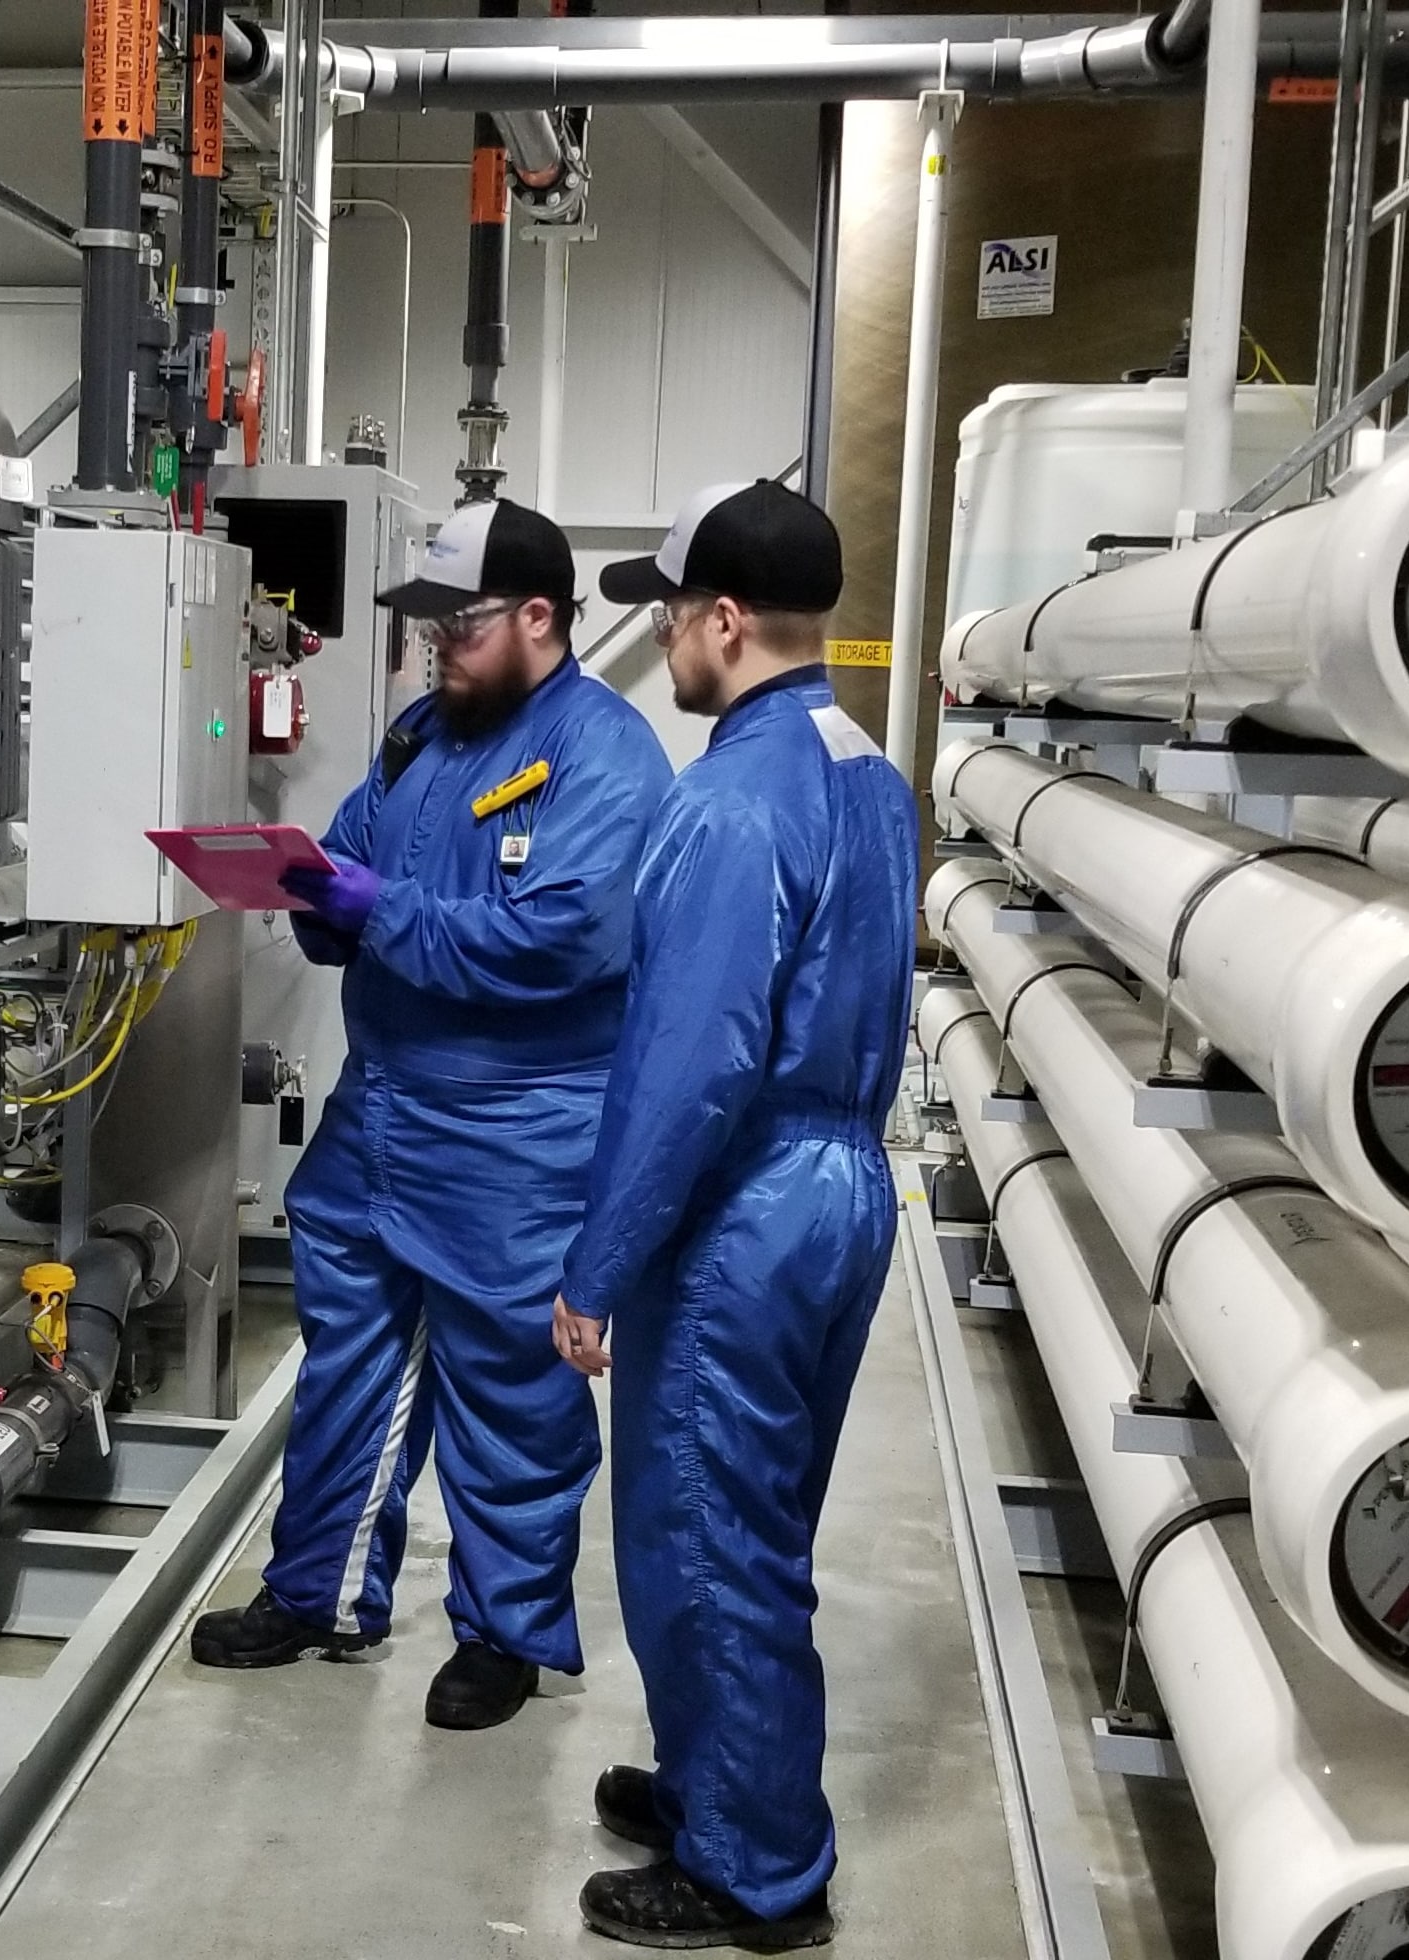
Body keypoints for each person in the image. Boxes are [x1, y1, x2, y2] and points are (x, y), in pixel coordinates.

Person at [189, 497, 673, 1731]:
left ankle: (506, 1634)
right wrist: (303, 887)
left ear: (537, 618)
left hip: (514, 1134)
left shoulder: (603, 758)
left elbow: (561, 942)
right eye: (418, 625)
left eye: (454, 626)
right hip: (382, 1112)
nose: (429, 648)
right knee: (345, 1362)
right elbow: (345, 858)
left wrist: (377, 909)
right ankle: (321, 1592)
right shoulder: (418, 736)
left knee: (508, 1388)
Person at [553, 478, 918, 1950]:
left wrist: (599, 1262)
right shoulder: (863, 769)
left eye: (667, 610)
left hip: (741, 1207)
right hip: (839, 1186)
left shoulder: (724, 800)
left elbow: (690, 1065)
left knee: (706, 1536)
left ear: (718, 620)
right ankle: (717, 1781)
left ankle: (755, 1871)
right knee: (748, 1523)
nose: (661, 638)